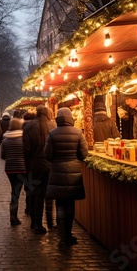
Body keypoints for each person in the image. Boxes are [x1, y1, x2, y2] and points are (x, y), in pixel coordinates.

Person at [44, 107, 88, 245]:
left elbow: (47, 154)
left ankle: (63, 237)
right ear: (70, 118)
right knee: (70, 205)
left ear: (57, 119)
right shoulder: (78, 133)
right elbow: (83, 154)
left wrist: (57, 161)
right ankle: (68, 235)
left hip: (57, 173)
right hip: (73, 175)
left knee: (60, 205)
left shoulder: (52, 134)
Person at [23, 105, 57, 234]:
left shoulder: (29, 126)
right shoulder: (53, 126)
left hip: (34, 164)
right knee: (48, 193)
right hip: (49, 165)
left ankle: (36, 222)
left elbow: (26, 149)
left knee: (35, 193)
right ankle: (49, 221)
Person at [1, 118, 27, 226]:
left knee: (14, 191)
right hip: (22, 168)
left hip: (10, 169)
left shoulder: (5, 140)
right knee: (20, 191)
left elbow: (2, 156)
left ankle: (13, 216)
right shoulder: (24, 139)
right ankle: (15, 217)